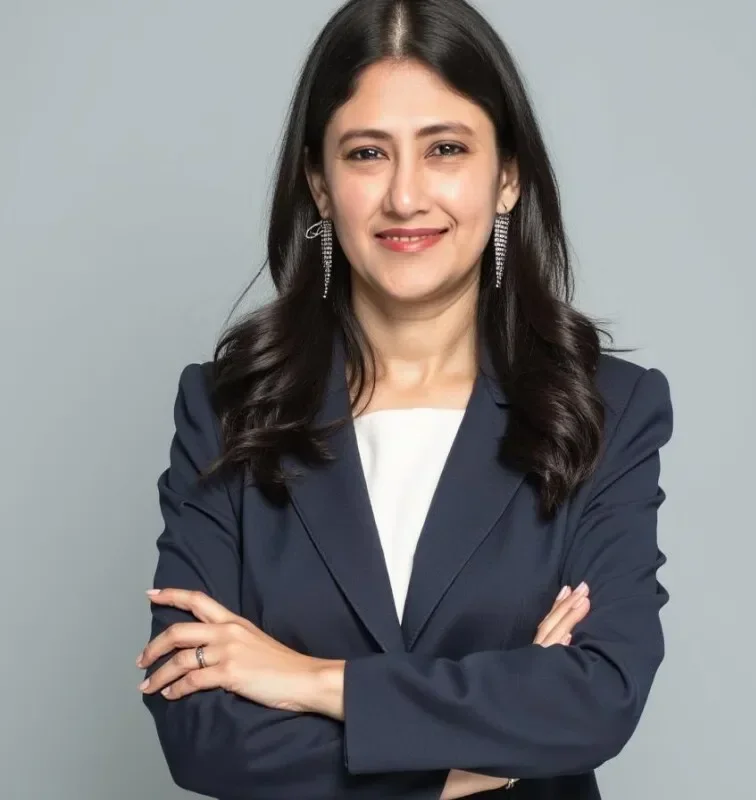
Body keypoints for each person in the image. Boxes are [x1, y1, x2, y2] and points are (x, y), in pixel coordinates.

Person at [136, 0, 674, 797]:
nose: (405, 197)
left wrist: (314, 682)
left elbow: (597, 699)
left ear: (508, 177)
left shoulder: (605, 407)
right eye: (366, 154)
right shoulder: (226, 409)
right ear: (320, 183)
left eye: (446, 149)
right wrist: (476, 759)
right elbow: (200, 733)